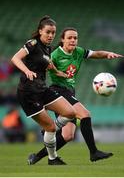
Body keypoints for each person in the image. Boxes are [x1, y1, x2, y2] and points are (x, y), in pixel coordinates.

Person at [28, 27, 124, 165]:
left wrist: (107, 54)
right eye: (70, 38)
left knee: (68, 135)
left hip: (69, 91)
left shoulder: (78, 51)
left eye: (75, 38)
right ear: (62, 40)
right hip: (58, 91)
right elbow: (41, 66)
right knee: (85, 114)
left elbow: (95, 54)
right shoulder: (55, 55)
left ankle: (36, 157)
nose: (73, 40)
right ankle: (94, 152)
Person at [11, 17, 78, 165]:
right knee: (51, 128)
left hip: (42, 89)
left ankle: (49, 129)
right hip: (28, 93)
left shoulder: (47, 48)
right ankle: (52, 159)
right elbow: (15, 58)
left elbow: (48, 63)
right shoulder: (33, 44)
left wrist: (58, 72)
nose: (50, 35)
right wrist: (27, 70)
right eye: (48, 32)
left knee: (71, 113)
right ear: (40, 31)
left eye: (53, 33)